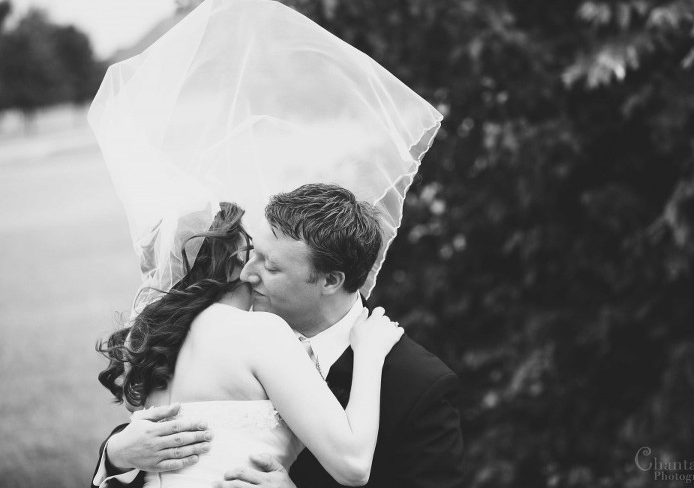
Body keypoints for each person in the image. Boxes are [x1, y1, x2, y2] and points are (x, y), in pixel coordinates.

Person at [91, 184, 465, 488]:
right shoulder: (222, 335)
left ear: (330, 280)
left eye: (270, 266)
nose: (247, 275)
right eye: (252, 253)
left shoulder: (417, 385)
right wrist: (116, 455)